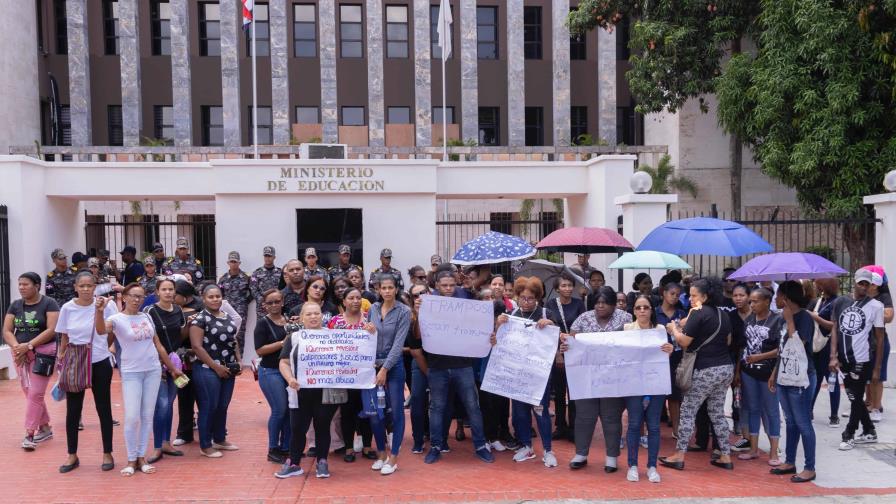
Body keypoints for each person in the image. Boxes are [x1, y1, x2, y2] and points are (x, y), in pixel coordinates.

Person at [100, 283, 182, 476]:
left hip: (153, 370)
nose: (137, 299)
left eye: (141, 296)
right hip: (131, 372)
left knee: (146, 416)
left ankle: (141, 457)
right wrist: (99, 311)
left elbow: (158, 345)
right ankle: (130, 459)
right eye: (133, 296)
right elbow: (101, 332)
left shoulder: (146, 316)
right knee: (131, 417)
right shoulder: (116, 319)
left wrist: (172, 369)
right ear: (125, 297)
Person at [660, 277, 734, 472]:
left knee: (688, 411)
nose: (690, 298)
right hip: (725, 367)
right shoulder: (722, 314)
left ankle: (679, 455)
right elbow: (727, 341)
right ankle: (725, 454)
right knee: (717, 413)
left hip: (705, 369)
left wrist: (673, 328)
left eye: (694, 295)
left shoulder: (699, 313)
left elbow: (683, 341)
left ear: (705, 296)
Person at [423, 271, 495, 465]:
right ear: (437, 284)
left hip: (463, 365)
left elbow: (480, 321)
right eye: (444, 285)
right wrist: (418, 311)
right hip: (438, 366)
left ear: (455, 284)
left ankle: (481, 446)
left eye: (451, 285)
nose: (448, 288)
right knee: (437, 407)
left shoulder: (465, 299)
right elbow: (419, 333)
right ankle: (436, 446)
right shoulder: (428, 303)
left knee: (473, 406)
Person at [276, 303, 354, 479]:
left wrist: (369, 334)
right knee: (297, 428)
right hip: (300, 391)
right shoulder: (294, 338)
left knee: (322, 426)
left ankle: (322, 462)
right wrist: (290, 379)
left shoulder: (334, 337)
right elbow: (284, 363)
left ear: (322, 316)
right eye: (309, 314)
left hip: (325, 391)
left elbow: (352, 354)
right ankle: (294, 463)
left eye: (316, 313)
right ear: (302, 318)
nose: (313, 317)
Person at [562, 286, 632, 472]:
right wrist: (566, 345)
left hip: (613, 378)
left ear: (613, 305)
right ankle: (581, 454)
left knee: (611, 417)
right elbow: (572, 340)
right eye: (597, 303)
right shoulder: (583, 319)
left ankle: (611, 457)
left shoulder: (625, 319)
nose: (600, 306)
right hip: (587, 377)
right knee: (584, 416)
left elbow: (634, 342)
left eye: (605, 303)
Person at [55, 271, 118, 473]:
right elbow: (64, 336)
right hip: (75, 362)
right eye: (81, 286)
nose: (85, 289)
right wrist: (61, 358)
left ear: (95, 286)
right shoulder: (67, 308)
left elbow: (110, 332)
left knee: (103, 408)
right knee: (73, 410)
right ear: (75, 287)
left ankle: (107, 452)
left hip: (99, 361)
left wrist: (105, 349)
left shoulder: (104, 305)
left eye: (89, 286)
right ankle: (72, 454)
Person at [495, 277, 560, 467]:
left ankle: (548, 450)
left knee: (541, 411)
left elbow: (557, 338)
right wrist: (498, 323)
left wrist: (549, 325)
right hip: (516, 373)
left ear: (538, 298)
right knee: (519, 412)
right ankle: (526, 446)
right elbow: (497, 340)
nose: (526, 302)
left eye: (530, 298)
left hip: (539, 374)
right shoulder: (511, 314)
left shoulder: (547, 313)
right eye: (523, 297)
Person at [3, 272, 60, 451]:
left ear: (37, 285)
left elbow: (52, 330)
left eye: (25, 284)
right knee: (29, 391)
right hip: (20, 354)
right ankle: (45, 427)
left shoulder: (49, 303)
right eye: (20, 284)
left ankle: (29, 433)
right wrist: (16, 347)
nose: (21, 287)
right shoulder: (15, 305)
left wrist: (28, 345)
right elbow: (7, 330)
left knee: (35, 393)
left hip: (43, 353)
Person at [830, 269, 885, 450]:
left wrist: (877, 369)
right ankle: (869, 430)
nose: (863, 287)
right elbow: (835, 329)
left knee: (855, 398)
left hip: (862, 359)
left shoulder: (876, 306)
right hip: (844, 360)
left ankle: (849, 433)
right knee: (854, 397)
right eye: (860, 283)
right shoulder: (841, 302)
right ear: (855, 282)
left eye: (866, 284)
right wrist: (833, 356)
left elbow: (880, 338)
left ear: (870, 286)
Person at [768, 280, 816, 483]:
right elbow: (782, 349)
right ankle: (789, 461)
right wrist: (774, 373)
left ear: (786, 299)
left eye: (778, 296)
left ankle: (810, 467)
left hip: (802, 377)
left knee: (803, 422)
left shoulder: (804, 317)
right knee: (790, 421)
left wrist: (789, 321)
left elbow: (798, 347)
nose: (775, 299)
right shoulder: (781, 319)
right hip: (784, 376)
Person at [623, 294, 674, 483]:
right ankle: (632, 465)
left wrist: (669, 350)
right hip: (634, 384)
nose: (642, 311)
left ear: (652, 309)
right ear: (634, 310)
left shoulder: (660, 329)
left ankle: (652, 466)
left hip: (655, 384)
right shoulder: (627, 329)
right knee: (635, 425)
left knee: (653, 426)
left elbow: (663, 358)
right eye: (638, 308)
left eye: (646, 307)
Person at [189, 284, 241, 458]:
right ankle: (205, 444)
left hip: (228, 368)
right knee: (209, 406)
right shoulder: (200, 319)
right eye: (211, 297)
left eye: (218, 296)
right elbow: (196, 347)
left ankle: (219, 438)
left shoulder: (227, 316)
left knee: (222, 406)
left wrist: (239, 361)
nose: (215, 299)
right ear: (203, 299)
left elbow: (233, 341)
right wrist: (216, 367)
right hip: (207, 368)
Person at [368, 275, 411, 475]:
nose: (386, 291)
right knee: (375, 413)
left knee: (395, 411)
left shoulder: (404, 311)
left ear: (396, 289)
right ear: (378, 289)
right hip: (372, 365)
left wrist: (385, 369)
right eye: (383, 288)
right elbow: (368, 338)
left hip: (393, 367)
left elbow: (398, 344)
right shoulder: (373, 309)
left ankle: (393, 458)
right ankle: (381, 454)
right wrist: (367, 331)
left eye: (390, 287)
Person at [327, 288, 375, 462]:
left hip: (365, 374)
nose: (355, 301)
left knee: (367, 410)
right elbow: (327, 346)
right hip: (344, 375)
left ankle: (368, 445)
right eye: (351, 298)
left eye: (358, 298)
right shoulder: (334, 322)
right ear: (344, 302)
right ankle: (348, 447)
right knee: (347, 411)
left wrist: (372, 332)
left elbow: (377, 343)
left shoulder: (370, 320)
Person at [144, 278, 189, 464]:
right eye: (164, 289)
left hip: (175, 364)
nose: (169, 293)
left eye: (171, 289)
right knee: (161, 404)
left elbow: (181, 334)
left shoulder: (178, 310)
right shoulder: (150, 312)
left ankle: (166, 443)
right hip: (156, 363)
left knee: (170, 403)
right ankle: (156, 447)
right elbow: (148, 338)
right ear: (157, 292)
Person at [737, 287, 782, 465]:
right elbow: (743, 346)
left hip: (768, 372)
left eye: (755, 301)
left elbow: (781, 349)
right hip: (749, 371)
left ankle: (773, 452)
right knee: (753, 409)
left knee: (771, 411)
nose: (752, 304)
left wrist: (760, 357)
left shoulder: (776, 321)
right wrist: (739, 371)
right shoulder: (749, 320)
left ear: (766, 301)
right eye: (751, 301)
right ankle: (753, 448)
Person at [254, 289, 291, 464]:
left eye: (277, 301)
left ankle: (286, 447)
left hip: (288, 372)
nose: (274, 305)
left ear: (282, 302)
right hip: (270, 371)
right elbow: (259, 349)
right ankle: (272, 448)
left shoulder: (289, 321)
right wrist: (282, 343)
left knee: (290, 411)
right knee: (279, 409)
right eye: (270, 303)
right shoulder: (263, 323)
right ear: (264, 305)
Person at [549, 273, 585, 441]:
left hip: (575, 351)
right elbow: (548, 329)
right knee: (559, 390)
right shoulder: (550, 305)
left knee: (574, 392)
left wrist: (570, 336)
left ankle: (574, 427)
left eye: (570, 285)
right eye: (563, 286)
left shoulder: (579, 304)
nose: (568, 288)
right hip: (557, 353)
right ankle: (560, 426)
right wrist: (558, 350)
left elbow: (583, 326)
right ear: (557, 289)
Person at [172, 280, 203, 447]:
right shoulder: (172, 311)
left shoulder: (201, 310)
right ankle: (184, 433)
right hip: (179, 363)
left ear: (185, 297)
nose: (171, 296)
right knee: (183, 395)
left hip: (199, 359)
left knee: (203, 396)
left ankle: (208, 431)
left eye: (175, 293)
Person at [809, 278, 842, 428]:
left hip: (829, 347)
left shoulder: (836, 302)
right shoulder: (820, 301)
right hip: (817, 347)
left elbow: (834, 326)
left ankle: (834, 415)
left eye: (817, 284)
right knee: (814, 381)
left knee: (832, 382)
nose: (815, 286)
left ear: (824, 286)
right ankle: (809, 410)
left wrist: (815, 317)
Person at [656, 282, 687, 438]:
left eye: (677, 294)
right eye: (671, 293)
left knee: (675, 396)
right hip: (657, 358)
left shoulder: (682, 314)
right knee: (655, 395)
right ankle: (651, 431)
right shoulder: (655, 313)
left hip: (677, 357)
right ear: (664, 293)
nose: (674, 297)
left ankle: (677, 430)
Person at [862, 268, 892, 423]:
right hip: (862, 341)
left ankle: (877, 407)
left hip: (879, 341)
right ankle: (868, 403)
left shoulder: (884, 297)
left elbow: (889, 316)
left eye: (867, 283)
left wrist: (872, 312)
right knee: (866, 376)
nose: (864, 285)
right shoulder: (861, 297)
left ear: (875, 285)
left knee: (877, 376)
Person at [218, 251, 252, 355]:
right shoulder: (223, 278)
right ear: (228, 263)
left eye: (235, 261)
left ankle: (239, 358)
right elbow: (220, 294)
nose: (233, 264)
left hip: (241, 311)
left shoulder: (246, 277)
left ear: (239, 263)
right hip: (226, 311)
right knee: (225, 333)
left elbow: (252, 292)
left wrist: (244, 302)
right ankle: (227, 358)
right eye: (231, 261)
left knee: (240, 335)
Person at [250, 246, 283, 318]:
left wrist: (279, 301)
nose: (267, 258)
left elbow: (283, 289)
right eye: (266, 256)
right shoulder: (256, 273)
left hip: (277, 305)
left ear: (274, 257)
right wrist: (262, 301)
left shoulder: (280, 272)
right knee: (262, 327)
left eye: (270, 256)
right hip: (262, 307)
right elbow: (253, 289)